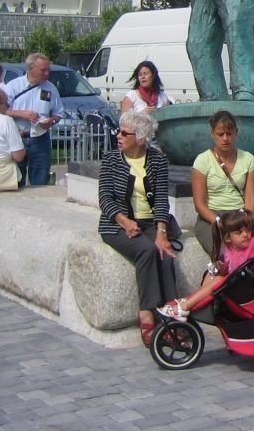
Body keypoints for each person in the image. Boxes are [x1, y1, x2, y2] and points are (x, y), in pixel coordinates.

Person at [98, 110, 177, 347]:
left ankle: (171, 315)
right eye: (118, 131)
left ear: (141, 138)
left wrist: (161, 232)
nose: (118, 136)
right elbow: (105, 198)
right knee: (146, 250)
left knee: (165, 254)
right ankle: (147, 312)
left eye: (125, 133)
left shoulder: (158, 161)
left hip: (150, 221)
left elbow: (161, 199)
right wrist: (124, 221)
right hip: (116, 224)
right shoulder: (111, 159)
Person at [158, 209, 254, 321]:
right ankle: (191, 301)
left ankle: (185, 306)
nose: (246, 234)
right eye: (239, 232)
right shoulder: (228, 249)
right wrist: (220, 267)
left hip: (244, 290)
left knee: (217, 280)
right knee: (211, 275)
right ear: (228, 238)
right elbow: (228, 267)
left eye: (248, 230)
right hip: (234, 284)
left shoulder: (253, 244)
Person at [191, 109, 254, 256]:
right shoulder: (202, 161)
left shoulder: (248, 159)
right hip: (212, 217)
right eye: (220, 134)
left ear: (236, 132)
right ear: (212, 134)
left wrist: (247, 220)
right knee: (223, 254)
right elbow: (199, 204)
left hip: (241, 215)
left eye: (229, 133)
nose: (225, 138)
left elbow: (250, 197)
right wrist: (219, 222)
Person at [2, 53, 64, 187]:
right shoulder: (13, 86)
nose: (47, 73)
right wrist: (21, 114)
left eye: (48, 70)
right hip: (18, 138)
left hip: (40, 139)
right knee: (15, 182)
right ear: (31, 69)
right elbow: (1, 111)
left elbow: (58, 113)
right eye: (43, 70)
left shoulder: (50, 88)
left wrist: (51, 121)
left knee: (40, 182)